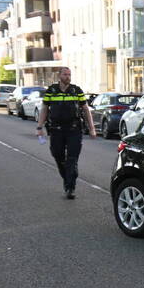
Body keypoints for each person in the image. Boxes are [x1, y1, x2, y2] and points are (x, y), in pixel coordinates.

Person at [36, 67, 97, 199]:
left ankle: (70, 187)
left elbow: (85, 109)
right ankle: (69, 176)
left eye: (69, 74)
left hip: (74, 130)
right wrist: (39, 127)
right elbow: (45, 108)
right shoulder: (51, 90)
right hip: (56, 130)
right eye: (65, 74)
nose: (68, 77)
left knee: (72, 159)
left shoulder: (76, 90)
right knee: (57, 155)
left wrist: (92, 128)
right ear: (59, 76)